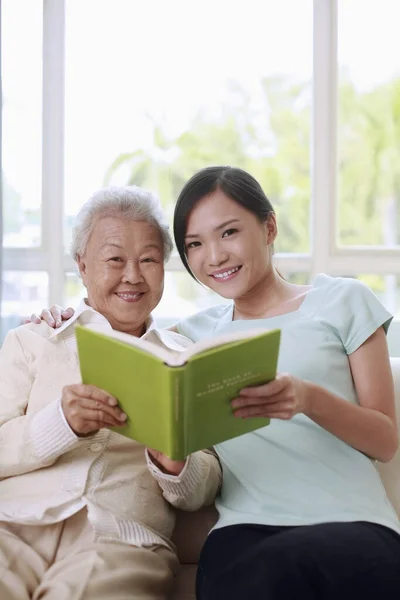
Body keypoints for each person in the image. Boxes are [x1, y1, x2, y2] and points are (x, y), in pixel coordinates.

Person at [34, 166, 400, 599]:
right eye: (195, 244)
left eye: (228, 233)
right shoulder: (188, 337)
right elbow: (123, 326)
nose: (215, 256)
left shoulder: (342, 300)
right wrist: (60, 319)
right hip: (243, 535)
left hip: (351, 523)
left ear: (269, 227)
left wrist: (308, 398)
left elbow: (385, 441)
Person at [0, 185, 220, 600]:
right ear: (82, 265)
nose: (133, 276)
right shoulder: (35, 339)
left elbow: (202, 488)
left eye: (149, 260)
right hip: (12, 525)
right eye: (115, 259)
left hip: (123, 540)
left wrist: (176, 463)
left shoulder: (187, 362)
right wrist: (59, 424)